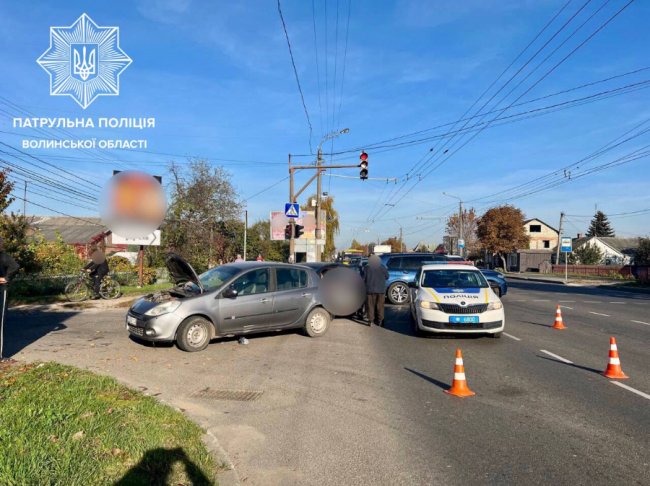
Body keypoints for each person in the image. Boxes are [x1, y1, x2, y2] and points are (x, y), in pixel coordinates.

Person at [0, 237, 19, 360]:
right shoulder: (3, 256)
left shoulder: (3, 256)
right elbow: (15, 266)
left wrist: (6, 278)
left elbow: (15, 266)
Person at [363, 254, 388, 327]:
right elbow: (387, 276)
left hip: (370, 290)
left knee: (370, 306)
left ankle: (371, 320)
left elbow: (363, 278)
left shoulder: (367, 268)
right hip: (381, 290)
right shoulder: (382, 267)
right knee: (380, 306)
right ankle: (380, 320)